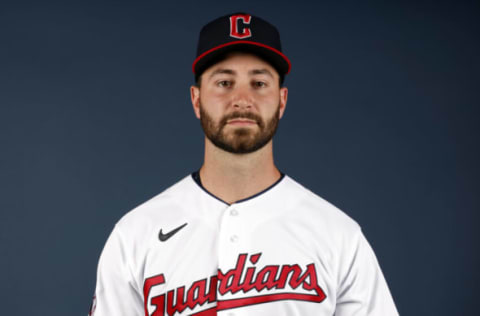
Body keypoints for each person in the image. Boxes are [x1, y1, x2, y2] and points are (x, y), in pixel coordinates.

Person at [89, 12, 399, 316]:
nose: (241, 99)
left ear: (282, 100)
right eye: (224, 82)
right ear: (196, 100)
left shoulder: (339, 236)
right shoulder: (135, 234)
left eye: (259, 83)